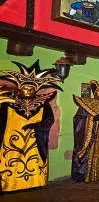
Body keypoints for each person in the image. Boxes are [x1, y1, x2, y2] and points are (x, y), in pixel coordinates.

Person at [0, 61, 62, 193]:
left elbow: (49, 120)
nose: (28, 90)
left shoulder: (43, 105)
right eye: (25, 87)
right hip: (10, 140)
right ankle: (11, 184)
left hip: (34, 140)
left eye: (31, 88)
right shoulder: (8, 104)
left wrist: (37, 126)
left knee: (33, 160)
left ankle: (34, 181)